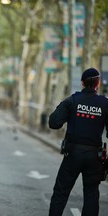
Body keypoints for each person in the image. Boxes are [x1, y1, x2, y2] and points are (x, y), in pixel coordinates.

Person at [48, 67, 108, 216]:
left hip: (72, 153)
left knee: (60, 193)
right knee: (91, 194)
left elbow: (54, 123)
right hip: (94, 156)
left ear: (82, 83)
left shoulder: (73, 100)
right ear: (97, 83)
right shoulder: (105, 104)